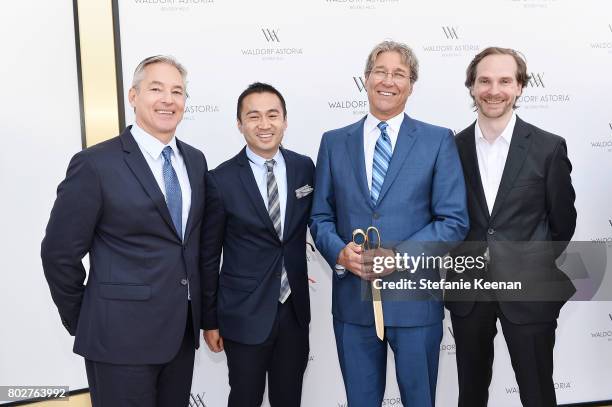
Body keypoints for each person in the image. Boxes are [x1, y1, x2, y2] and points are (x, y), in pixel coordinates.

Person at [41, 55, 208, 407]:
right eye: (156, 89)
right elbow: (59, 253)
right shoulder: (96, 164)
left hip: (179, 335)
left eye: (177, 91)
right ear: (133, 96)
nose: (168, 99)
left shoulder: (195, 161)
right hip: (118, 340)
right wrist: (87, 316)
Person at [309, 40, 469, 407]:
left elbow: (453, 221)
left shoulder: (437, 140)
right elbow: (320, 217)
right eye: (380, 71)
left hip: (415, 302)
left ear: (411, 85)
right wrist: (340, 253)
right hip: (353, 306)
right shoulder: (334, 143)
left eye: (399, 74)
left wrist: (396, 257)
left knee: (420, 400)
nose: (388, 80)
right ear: (365, 79)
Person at [446, 46, 577, 407]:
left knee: (537, 392)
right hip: (469, 292)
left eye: (505, 80)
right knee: (470, 394)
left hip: (530, 293)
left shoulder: (548, 148)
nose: (494, 89)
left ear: (520, 87)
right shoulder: (450, 149)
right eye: (484, 81)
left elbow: (563, 223)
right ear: (471, 87)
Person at [201, 82, 315, 407]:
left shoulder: (304, 167)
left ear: (285, 120)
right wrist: (209, 320)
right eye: (253, 117)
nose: (264, 125)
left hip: (294, 312)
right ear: (239, 124)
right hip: (243, 314)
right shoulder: (219, 180)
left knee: (289, 398)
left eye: (272, 115)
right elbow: (209, 257)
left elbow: (317, 222)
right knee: (245, 399)